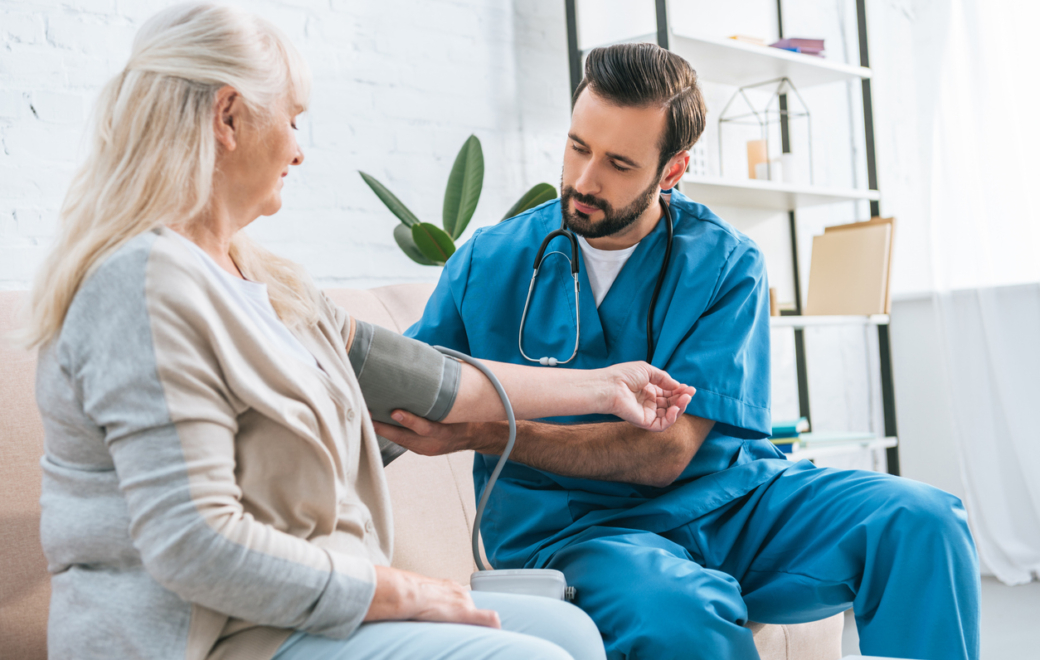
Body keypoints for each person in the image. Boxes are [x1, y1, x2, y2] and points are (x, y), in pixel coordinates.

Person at [24, 6, 699, 659]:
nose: (298, 149)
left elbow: (437, 384)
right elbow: (196, 544)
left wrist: (607, 385)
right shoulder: (142, 284)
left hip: (299, 612)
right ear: (228, 117)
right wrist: (400, 590)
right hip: (211, 634)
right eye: (291, 120)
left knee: (571, 633)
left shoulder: (270, 284)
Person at [379, 43, 982, 660]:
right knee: (678, 612)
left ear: (671, 171)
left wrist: (488, 431)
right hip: (583, 531)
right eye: (577, 147)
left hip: (735, 502)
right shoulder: (488, 261)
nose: (584, 181)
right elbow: (405, 396)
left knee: (923, 521)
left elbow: (664, 454)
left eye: (618, 163)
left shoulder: (726, 262)